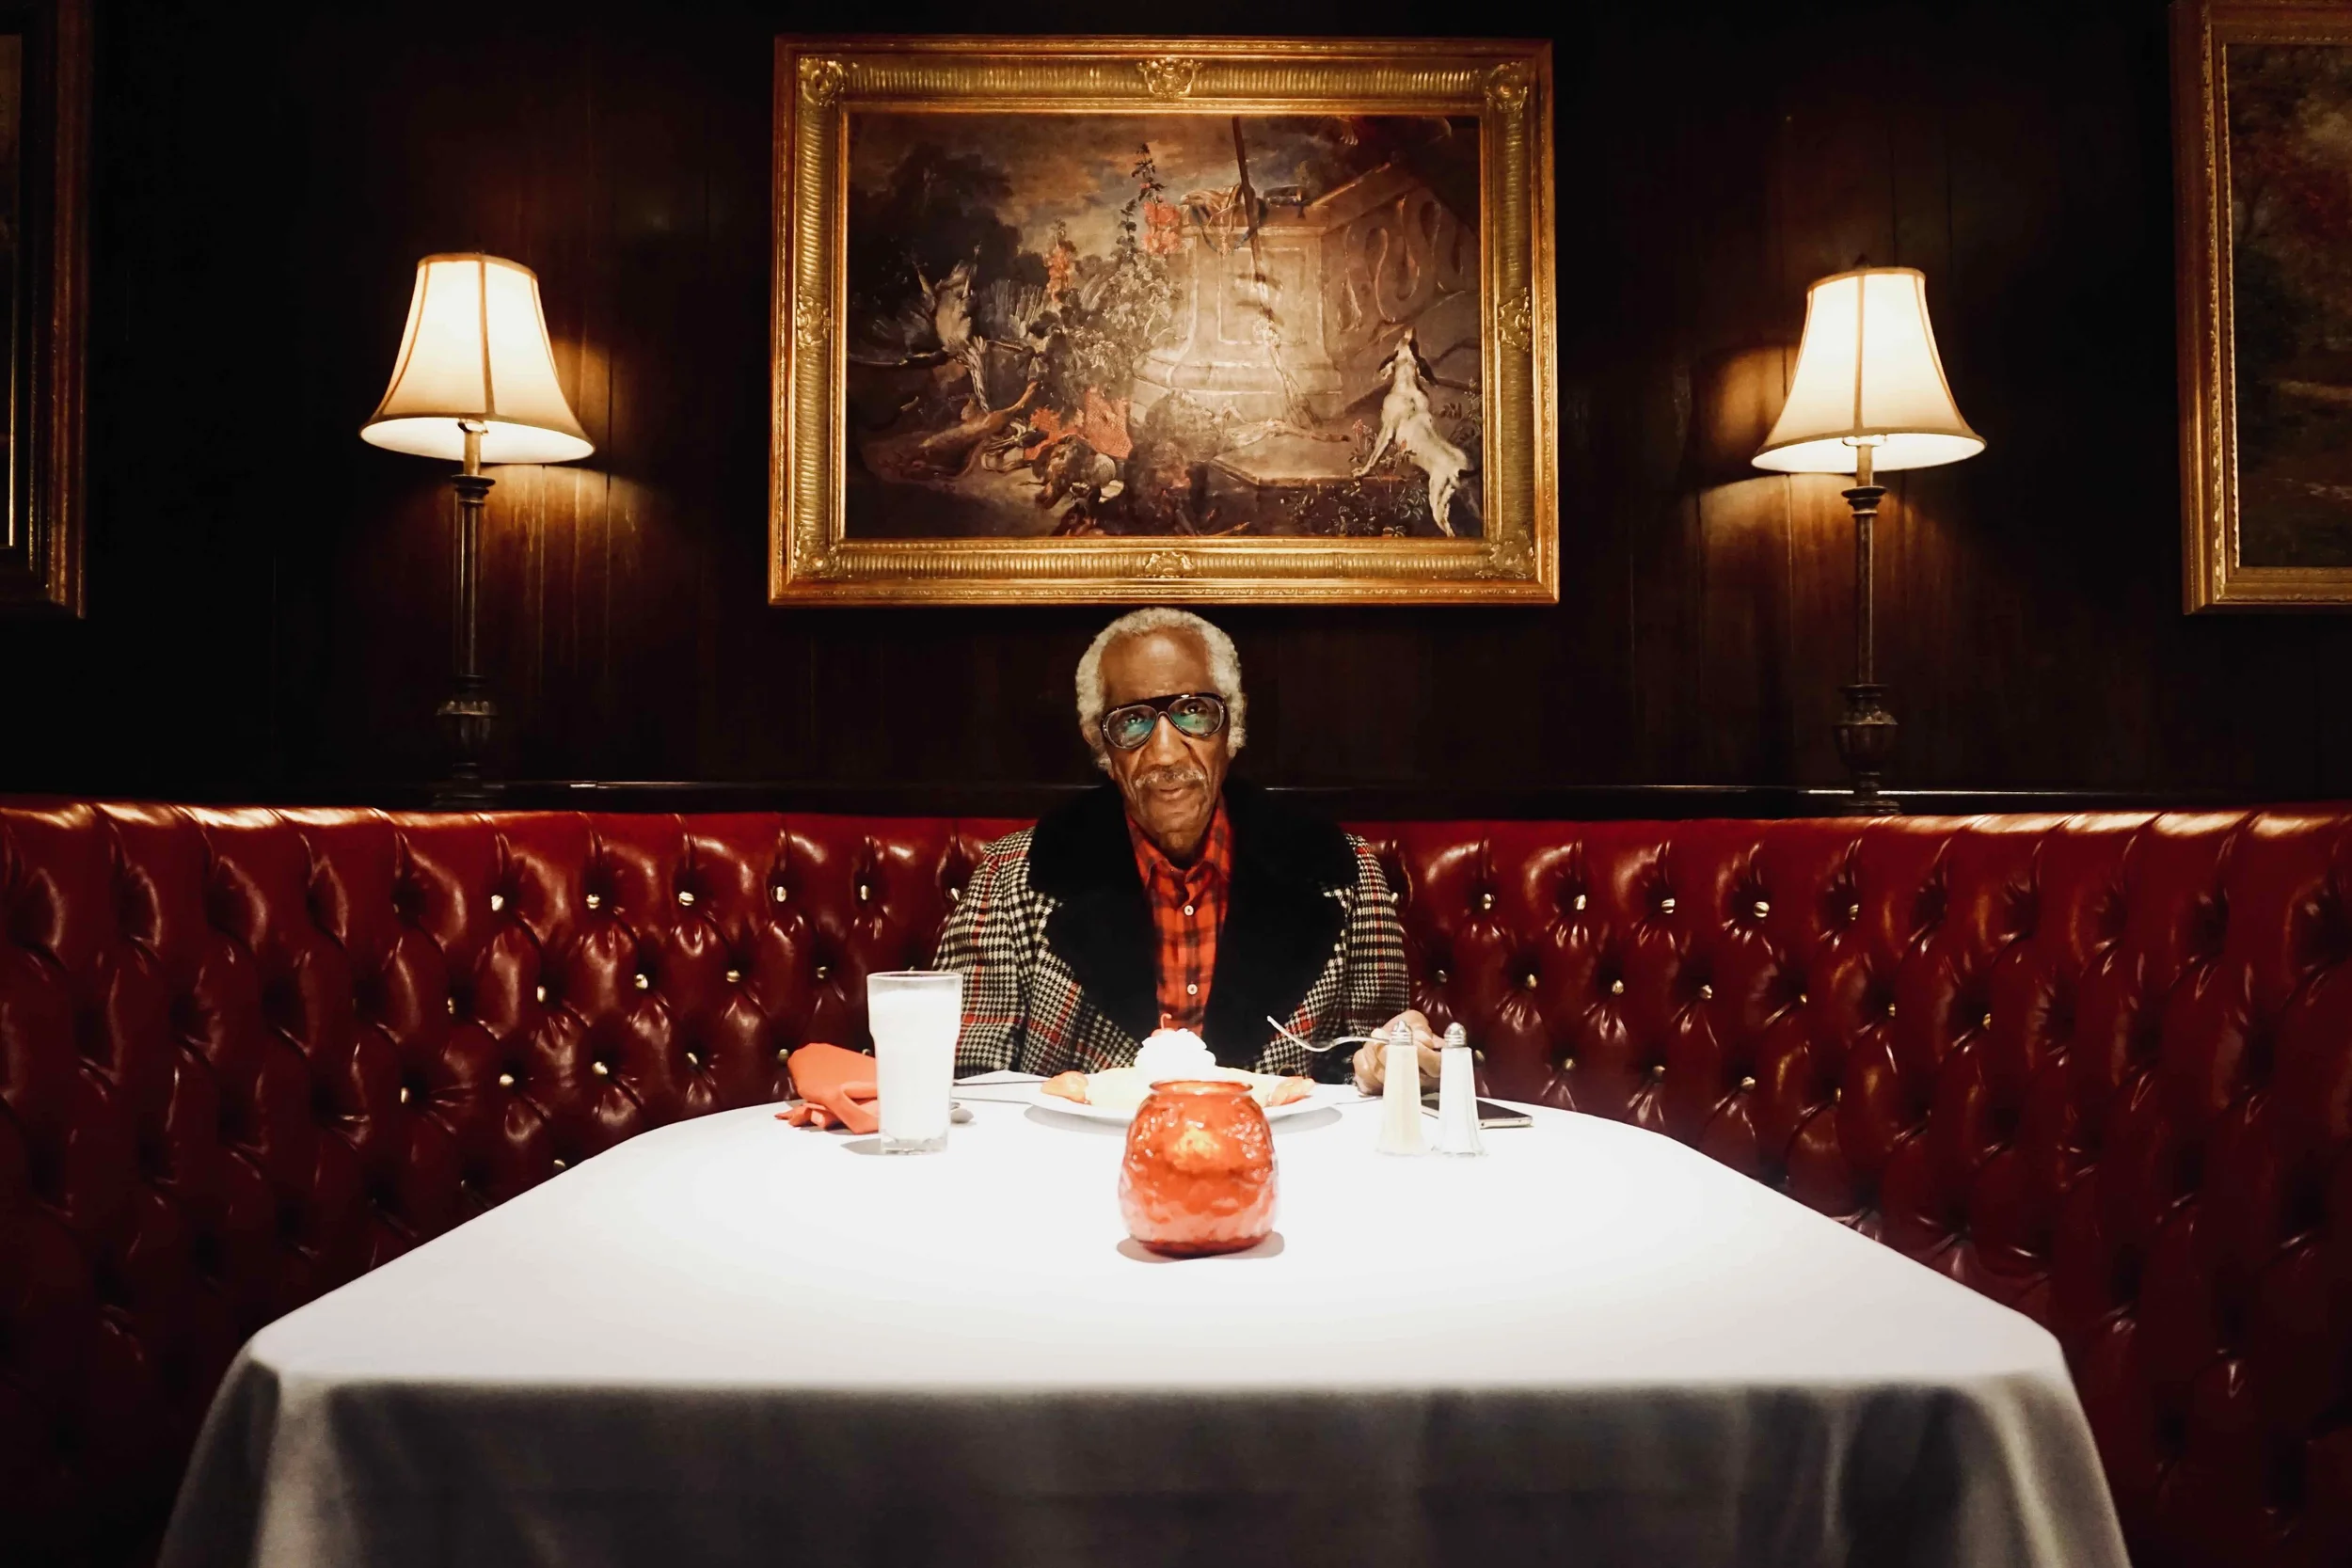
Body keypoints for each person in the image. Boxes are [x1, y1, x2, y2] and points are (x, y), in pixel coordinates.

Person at [937, 607, 1439, 1089]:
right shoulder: (1010, 881)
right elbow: (968, 1081)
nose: (1164, 752)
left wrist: (1389, 1057)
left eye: (1194, 713)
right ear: (1102, 747)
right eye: (1132, 722)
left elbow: (1366, 1073)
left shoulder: (1344, 874)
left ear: (1232, 729)